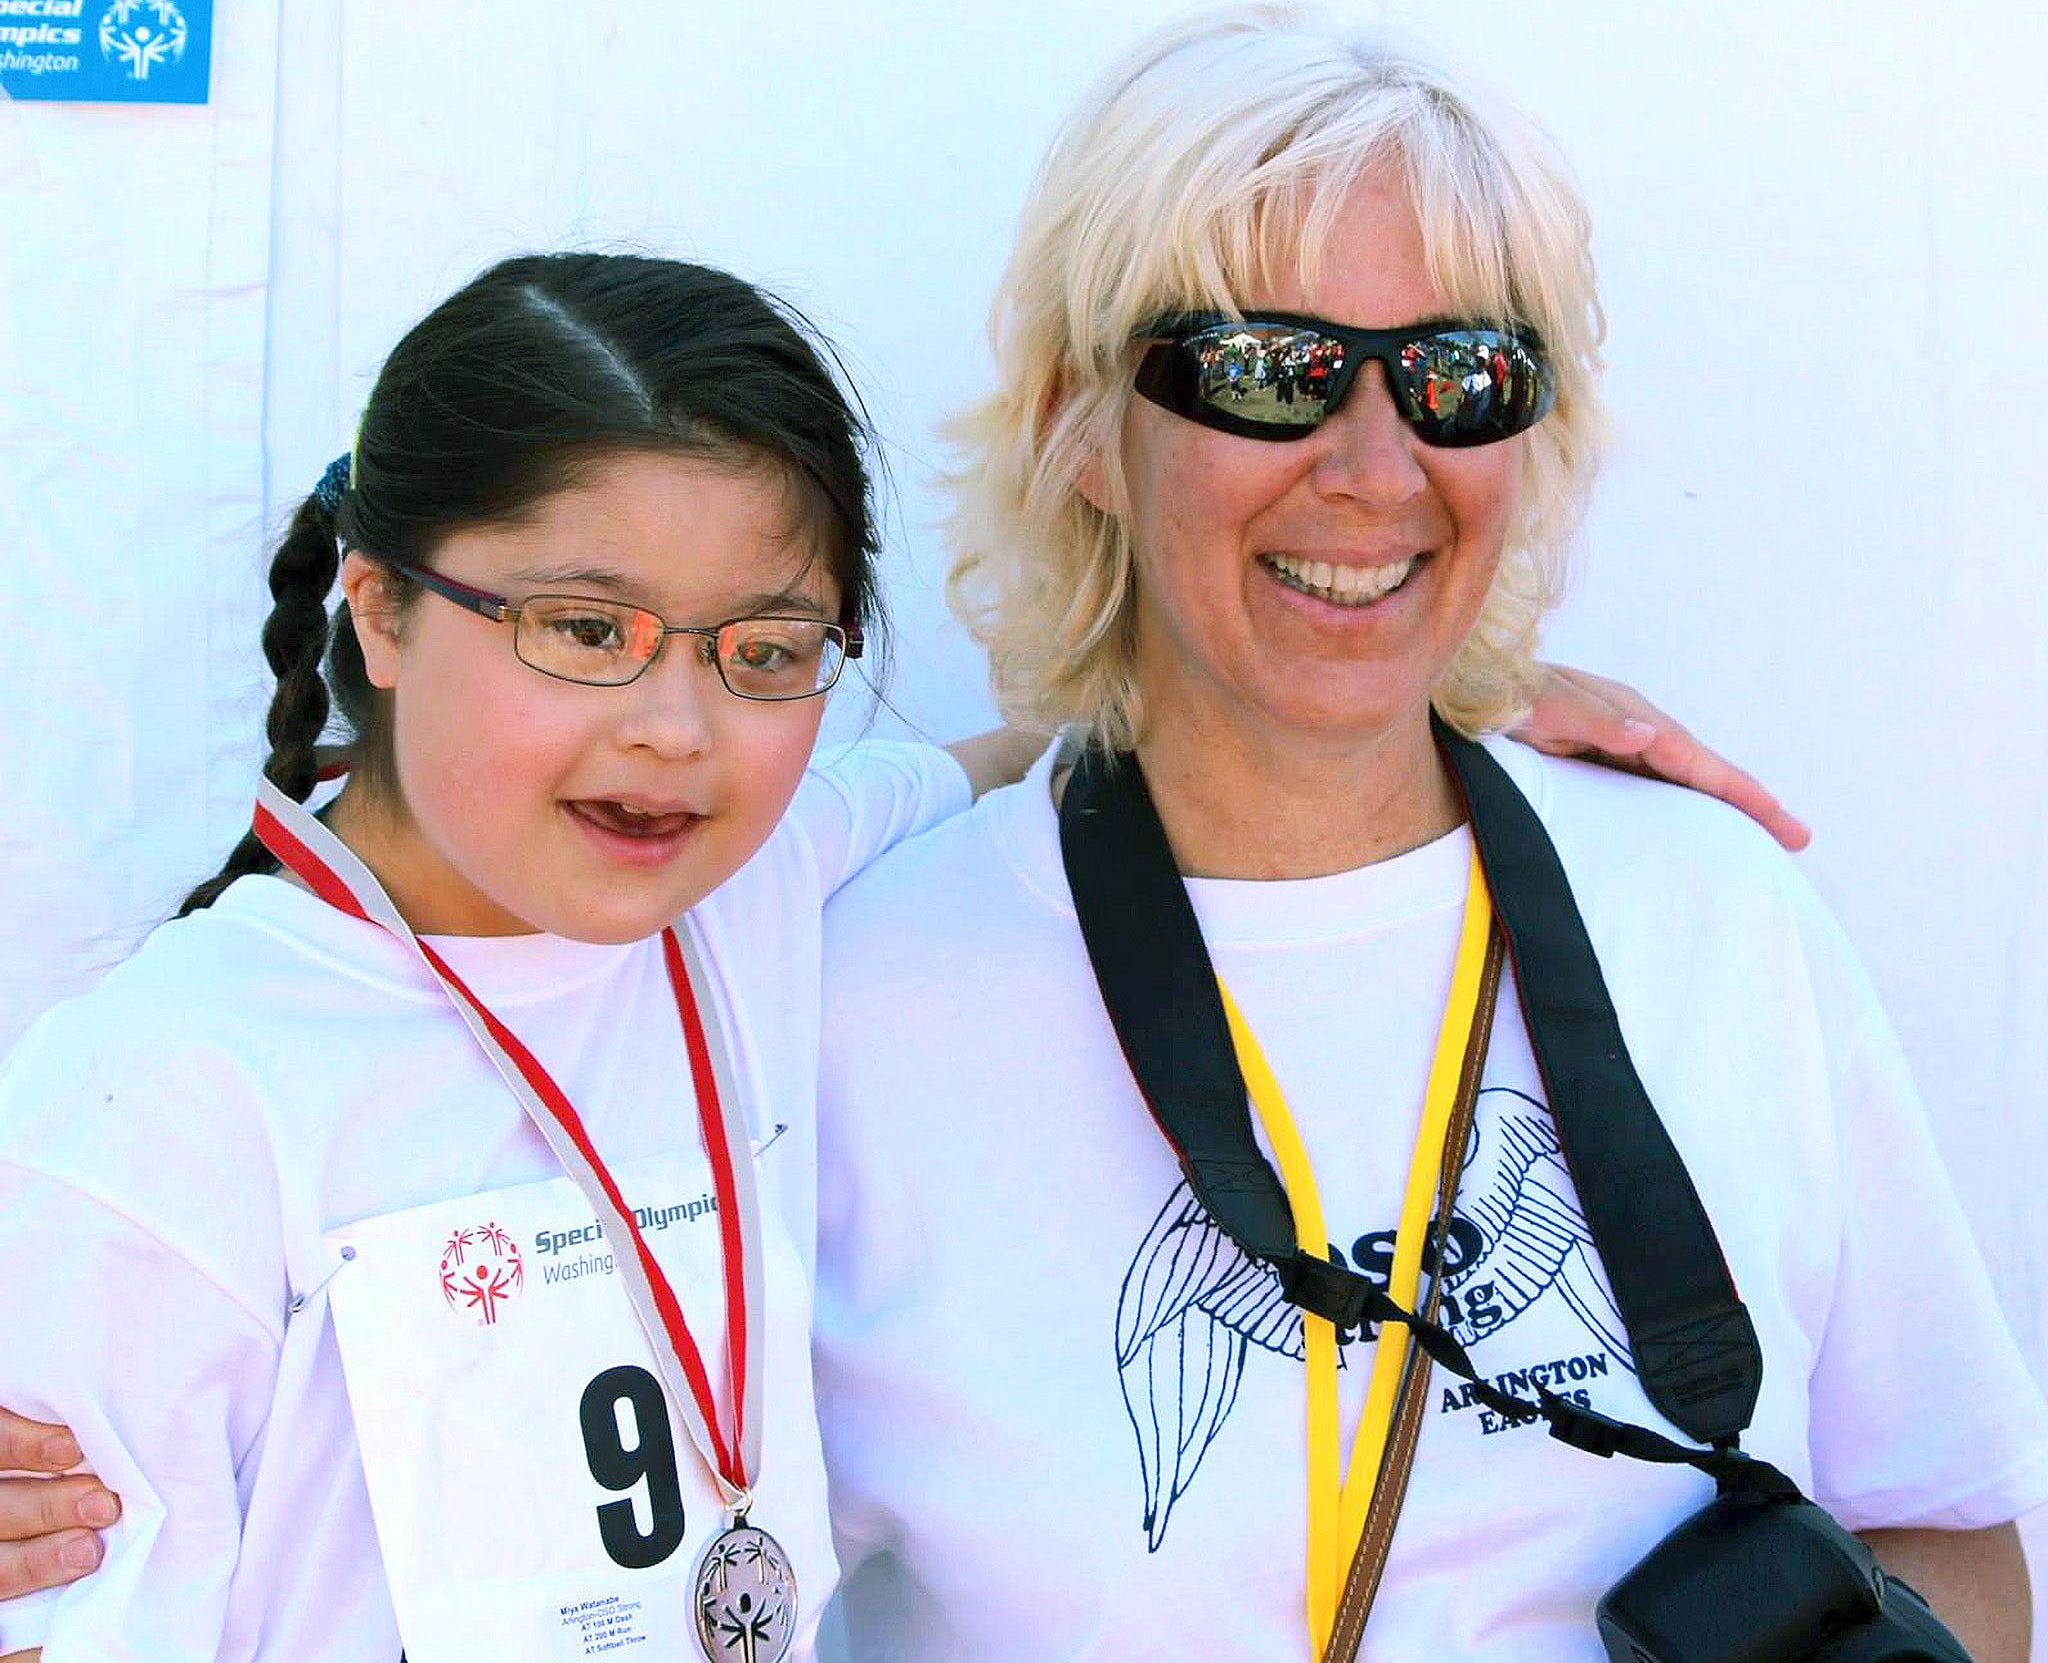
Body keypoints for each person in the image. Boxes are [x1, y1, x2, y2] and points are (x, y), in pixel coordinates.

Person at [0, 237, 1796, 1659]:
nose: (675, 733)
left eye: (764, 651)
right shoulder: (163, 1102)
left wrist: (1435, 693)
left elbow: (1053, 745)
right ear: (379, 607)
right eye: (582, 630)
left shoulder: (767, 885)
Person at [809, 4, 2048, 1661]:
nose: (1378, 469)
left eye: (1462, 374)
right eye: (1269, 371)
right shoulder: (847, 992)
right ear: (1078, 424)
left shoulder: (1715, 915)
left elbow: (1948, 1532)